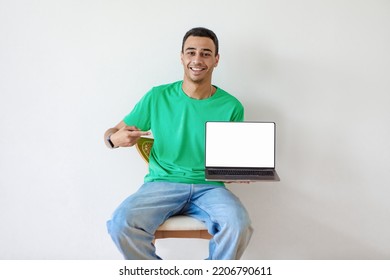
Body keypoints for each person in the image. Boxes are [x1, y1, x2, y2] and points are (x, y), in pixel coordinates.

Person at [104, 27, 253, 260]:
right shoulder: (157, 96)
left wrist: (237, 170)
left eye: (205, 53)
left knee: (239, 225)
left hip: (210, 187)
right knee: (121, 224)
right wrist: (114, 139)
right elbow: (112, 131)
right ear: (182, 57)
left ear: (216, 60)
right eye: (191, 52)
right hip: (161, 184)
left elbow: (230, 157)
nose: (197, 59)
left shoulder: (232, 106)